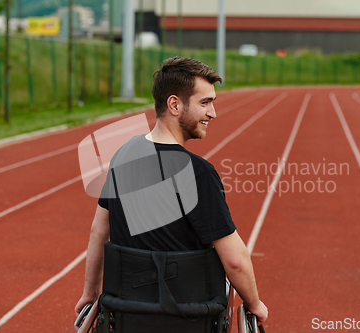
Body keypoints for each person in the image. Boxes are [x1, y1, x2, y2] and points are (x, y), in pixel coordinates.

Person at [74, 57, 268, 329]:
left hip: (126, 317)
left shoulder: (123, 155)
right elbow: (235, 261)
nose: (213, 113)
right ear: (175, 105)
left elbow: (99, 229)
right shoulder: (198, 172)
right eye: (205, 103)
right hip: (187, 319)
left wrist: (90, 292)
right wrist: (255, 303)